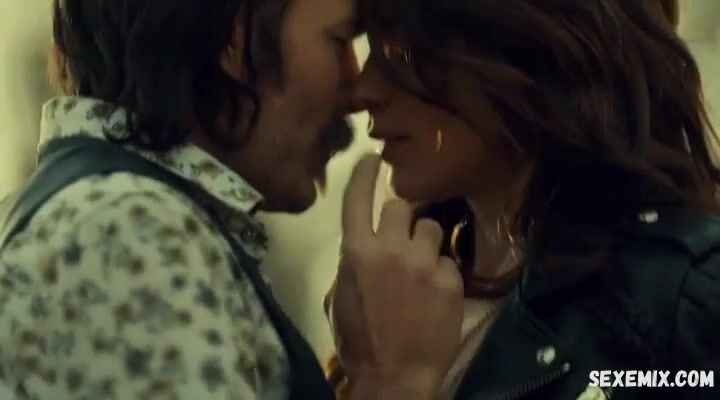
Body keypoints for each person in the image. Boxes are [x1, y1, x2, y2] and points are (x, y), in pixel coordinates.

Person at [0, 0, 464, 399]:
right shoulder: (129, 233)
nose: (355, 88)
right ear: (232, 38)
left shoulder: (101, 216)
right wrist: (391, 382)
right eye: (339, 40)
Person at [327, 0, 720, 399]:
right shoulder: (398, 303)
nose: (362, 90)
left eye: (402, 49)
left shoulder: (683, 301)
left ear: (533, 42)